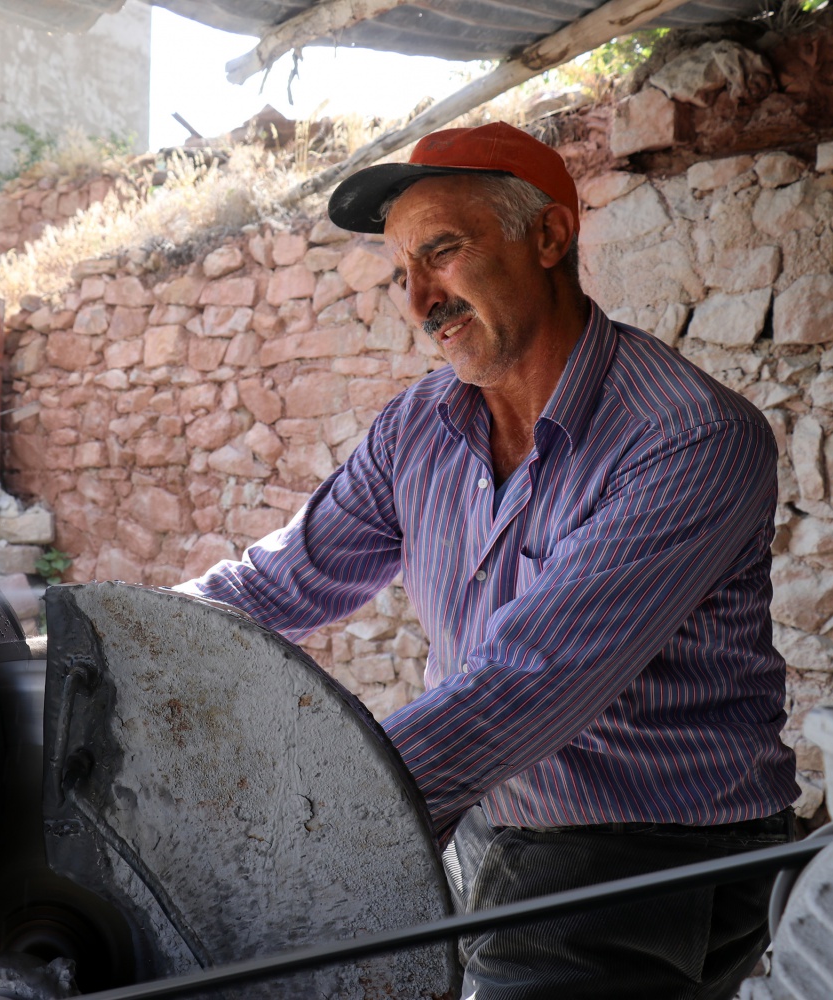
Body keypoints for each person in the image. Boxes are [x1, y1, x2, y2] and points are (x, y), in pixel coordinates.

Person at [176, 122, 798, 1000]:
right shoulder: (420, 425)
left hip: (651, 844)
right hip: (492, 813)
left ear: (548, 237)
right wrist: (113, 642)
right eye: (403, 272)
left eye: (443, 252)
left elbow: (527, 682)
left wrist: (320, 819)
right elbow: (279, 583)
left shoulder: (687, 438)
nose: (418, 298)